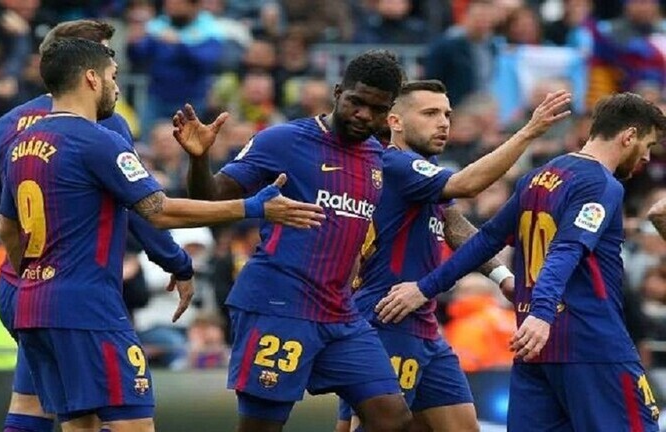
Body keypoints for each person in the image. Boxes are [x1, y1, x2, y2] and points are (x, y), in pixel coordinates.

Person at [0, 37, 323, 432]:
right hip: (87, 308)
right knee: (134, 425)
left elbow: (7, 229)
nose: (116, 87)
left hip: (33, 305)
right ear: (91, 78)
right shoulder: (98, 141)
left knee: (80, 426)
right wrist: (253, 207)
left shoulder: (21, 143)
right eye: (113, 77)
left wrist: (36, 276)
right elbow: (158, 210)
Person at [0, 20, 198, 432]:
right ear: (85, 69)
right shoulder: (102, 124)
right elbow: (143, 207)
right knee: (105, 410)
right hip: (74, 291)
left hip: (22, 287)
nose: (112, 68)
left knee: (34, 403)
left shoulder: (10, 123)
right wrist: (175, 261)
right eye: (106, 55)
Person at [375, 92, 666, 431]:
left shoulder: (539, 177)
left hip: (534, 348)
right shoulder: (602, 185)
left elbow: (486, 239)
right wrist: (542, 314)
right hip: (591, 344)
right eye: (647, 144)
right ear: (628, 136)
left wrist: (425, 288)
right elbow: (567, 250)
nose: (647, 156)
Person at [173, 49, 411, 432]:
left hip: (340, 313)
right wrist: (199, 159)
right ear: (338, 92)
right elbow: (211, 198)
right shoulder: (284, 140)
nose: (364, 114)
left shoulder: (377, 156)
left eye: (377, 109)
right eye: (356, 102)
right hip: (278, 304)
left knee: (393, 419)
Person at [335, 80, 571, 432]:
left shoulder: (424, 170)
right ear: (395, 121)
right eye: (430, 113)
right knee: (378, 425)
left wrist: (502, 278)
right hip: (388, 316)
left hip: (423, 322)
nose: (443, 122)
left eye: (447, 114)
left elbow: (455, 226)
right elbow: (467, 185)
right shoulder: (395, 163)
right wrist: (528, 132)